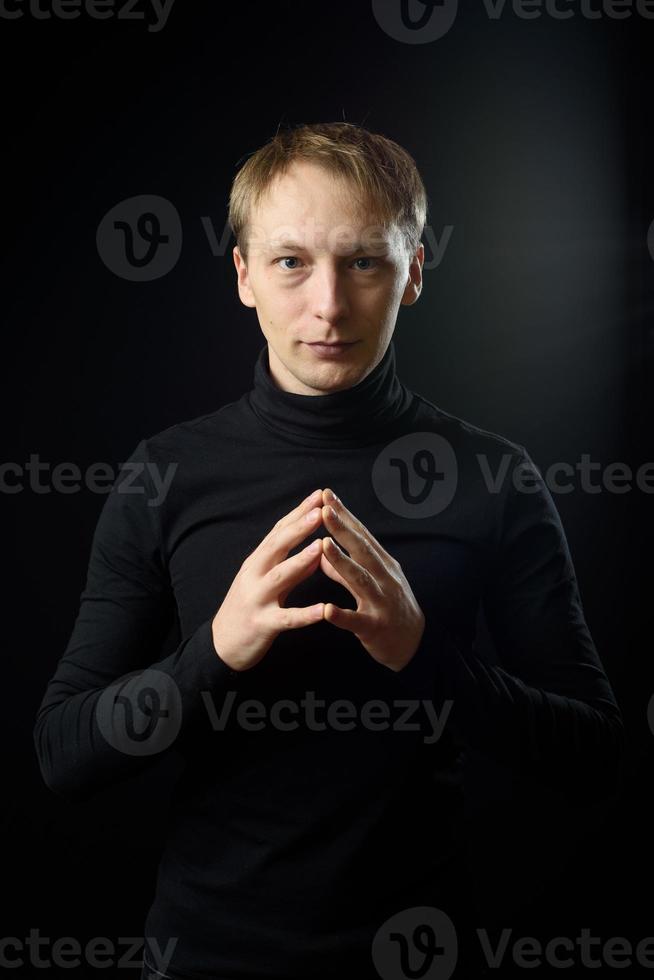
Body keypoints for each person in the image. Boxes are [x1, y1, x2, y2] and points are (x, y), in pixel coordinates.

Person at [33, 121, 624, 980]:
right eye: (290, 262)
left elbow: (593, 757)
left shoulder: (495, 479)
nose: (328, 306)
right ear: (243, 276)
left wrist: (424, 657)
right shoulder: (166, 475)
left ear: (414, 272)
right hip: (207, 956)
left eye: (363, 262)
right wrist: (214, 655)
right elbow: (63, 755)